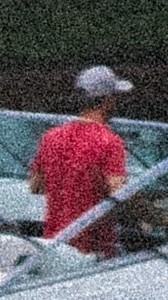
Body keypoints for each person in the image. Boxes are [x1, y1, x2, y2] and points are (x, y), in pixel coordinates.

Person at [31, 64, 135, 255]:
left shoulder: (50, 137)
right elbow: (120, 194)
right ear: (108, 101)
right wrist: (156, 215)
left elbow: (35, 187)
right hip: (91, 252)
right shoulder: (110, 141)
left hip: (53, 246)